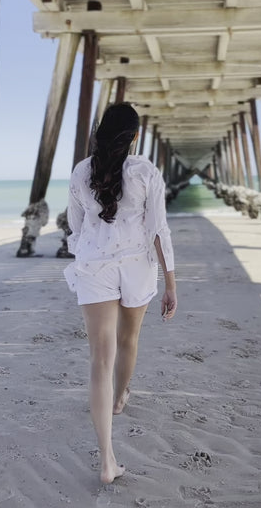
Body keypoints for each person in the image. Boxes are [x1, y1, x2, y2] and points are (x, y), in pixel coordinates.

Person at [63, 103, 177, 484]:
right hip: (136, 266)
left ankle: (107, 461)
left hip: (95, 265)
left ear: (99, 133)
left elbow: (75, 228)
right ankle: (119, 399)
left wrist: (89, 253)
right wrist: (171, 283)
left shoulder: (81, 172)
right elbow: (158, 229)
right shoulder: (144, 171)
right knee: (129, 339)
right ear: (135, 137)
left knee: (99, 359)